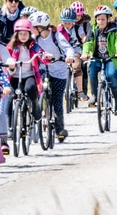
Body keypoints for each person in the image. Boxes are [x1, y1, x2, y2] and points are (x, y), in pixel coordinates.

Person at [5, 17, 51, 152]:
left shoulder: (33, 45)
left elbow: (41, 53)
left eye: (26, 33)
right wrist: (8, 63)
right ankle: (9, 127)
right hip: (13, 77)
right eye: (21, 34)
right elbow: (4, 57)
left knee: (30, 88)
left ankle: (36, 106)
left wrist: (46, 56)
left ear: (30, 34)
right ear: (16, 34)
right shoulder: (11, 47)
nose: (23, 36)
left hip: (29, 75)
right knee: (9, 97)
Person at [30, 10, 75, 141]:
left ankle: (60, 129)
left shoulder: (56, 36)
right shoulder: (34, 38)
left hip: (58, 72)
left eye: (33, 27)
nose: (32, 29)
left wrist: (69, 57)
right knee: (39, 92)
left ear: (40, 27)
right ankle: (41, 112)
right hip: (43, 70)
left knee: (57, 101)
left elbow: (68, 48)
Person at [82, 6, 117, 114]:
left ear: (108, 19)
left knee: (111, 75)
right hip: (97, 58)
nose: (100, 22)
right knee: (91, 71)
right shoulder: (93, 29)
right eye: (98, 19)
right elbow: (88, 42)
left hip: (111, 58)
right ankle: (94, 95)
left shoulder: (114, 29)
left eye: (103, 19)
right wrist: (85, 53)